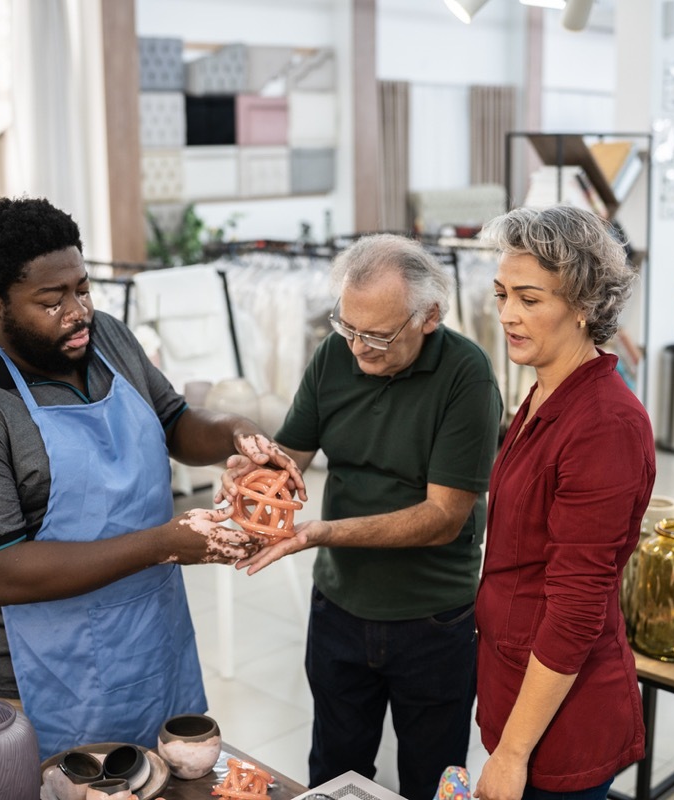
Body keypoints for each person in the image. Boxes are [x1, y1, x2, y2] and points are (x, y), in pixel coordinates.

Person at [0, 196, 304, 758]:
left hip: (144, 637)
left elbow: (174, 421)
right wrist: (166, 543)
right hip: (29, 679)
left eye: (83, 289)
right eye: (52, 301)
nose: (78, 312)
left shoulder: (109, 340)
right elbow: (4, 574)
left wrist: (235, 433)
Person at [223, 234, 502, 800]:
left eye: (377, 334)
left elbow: (443, 517)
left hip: (432, 620)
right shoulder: (335, 354)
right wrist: (252, 475)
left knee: (431, 778)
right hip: (339, 611)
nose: (359, 348)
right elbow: (291, 457)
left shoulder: (466, 375)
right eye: (348, 327)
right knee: (335, 769)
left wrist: (320, 534)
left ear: (430, 317)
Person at [472, 206, 656, 800]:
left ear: (583, 303)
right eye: (502, 295)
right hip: (517, 685)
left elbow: (577, 604)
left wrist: (514, 752)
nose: (507, 315)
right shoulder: (547, 389)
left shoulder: (604, 425)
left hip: (561, 719)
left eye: (529, 299)